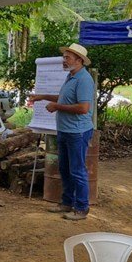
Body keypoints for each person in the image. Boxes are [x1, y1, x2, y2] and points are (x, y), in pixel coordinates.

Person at [28, 43, 95, 221]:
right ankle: (67, 202)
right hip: (65, 130)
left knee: (77, 170)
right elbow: (65, 98)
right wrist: (42, 96)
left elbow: (83, 108)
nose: (64, 61)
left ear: (79, 60)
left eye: (67, 58)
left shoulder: (84, 79)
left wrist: (57, 107)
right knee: (65, 169)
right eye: (64, 57)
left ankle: (81, 208)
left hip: (77, 132)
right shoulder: (71, 76)